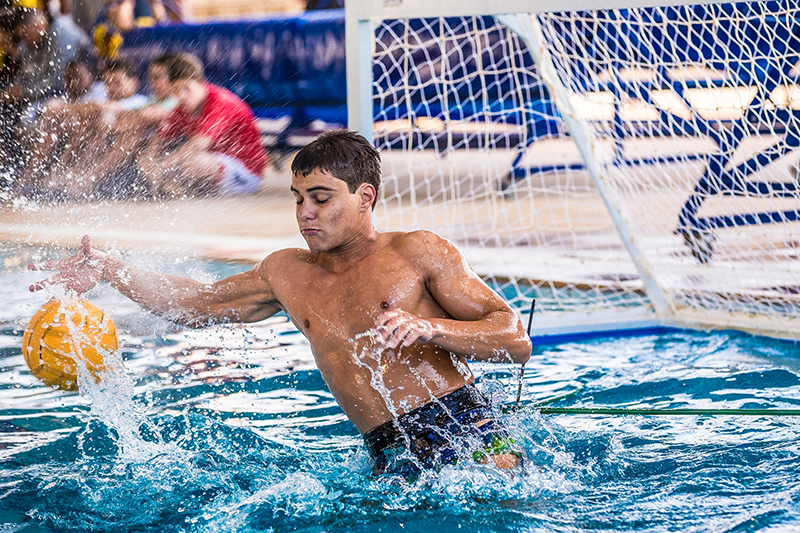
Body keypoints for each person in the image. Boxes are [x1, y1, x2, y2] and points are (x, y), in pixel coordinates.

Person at [29, 130, 532, 479]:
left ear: (365, 197)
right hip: (387, 449)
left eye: (321, 198)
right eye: (297, 198)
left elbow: (514, 339)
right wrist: (110, 269)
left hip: (470, 428)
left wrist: (432, 329)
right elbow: (195, 303)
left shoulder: (416, 250)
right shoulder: (286, 271)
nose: (305, 214)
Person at [137, 52, 268, 198]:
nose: (181, 96)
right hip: (216, 166)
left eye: (187, 88)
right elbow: (159, 138)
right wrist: (148, 160)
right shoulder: (181, 107)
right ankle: (177, 187)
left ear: (201, 83)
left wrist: (161, 167)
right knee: (174, 159)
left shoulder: (220, 102)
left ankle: (179, 187)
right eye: (175, 90)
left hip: (247, 173)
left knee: (193, 161)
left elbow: (198, 144)